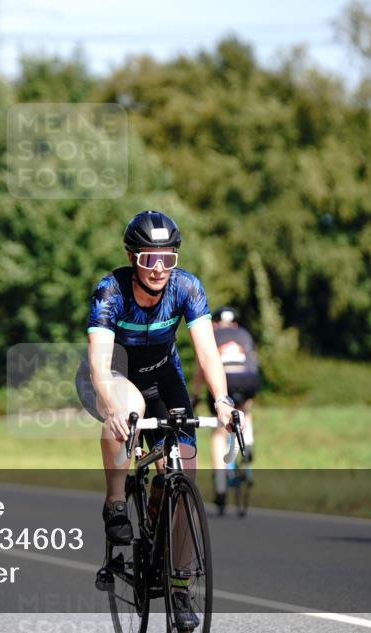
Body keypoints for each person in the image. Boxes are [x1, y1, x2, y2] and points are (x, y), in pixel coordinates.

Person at [77, 210, 239, 632]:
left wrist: (222, 399)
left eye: (168, 259)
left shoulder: (186, 287)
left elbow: (206, 351)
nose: (160, 269)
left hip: (163, 376)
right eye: (150, 260)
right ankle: (115, 502)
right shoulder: (110, 291)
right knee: (128, 410)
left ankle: (179, 584)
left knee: (184, 463)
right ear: (132, 258)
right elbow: (98, 362)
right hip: (115, 374)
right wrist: (110, 408)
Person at [192, 305, 260, 514]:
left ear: (214, 323)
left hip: (226, 380)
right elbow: (253, 363)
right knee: (244, 410)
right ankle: (247, 442)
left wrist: (194, 397)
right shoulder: (244, 333)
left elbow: (201, 371)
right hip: (249, 379)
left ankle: (220, 485)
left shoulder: (211, 336)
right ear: (236, 323)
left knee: (219, 433)